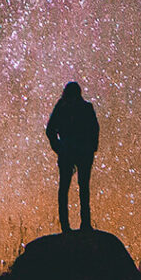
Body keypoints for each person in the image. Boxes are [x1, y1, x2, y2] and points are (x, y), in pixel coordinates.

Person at [45, 81, 100, 232]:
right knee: (79, 188)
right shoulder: (80, 107)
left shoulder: (63, 107)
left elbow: (50, 130)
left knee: (70, 189)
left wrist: (59, 148)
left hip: (74, 152)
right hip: (75, 153)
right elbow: (94, 130)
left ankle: (70, 226)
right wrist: (60, 149)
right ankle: (80, 225)